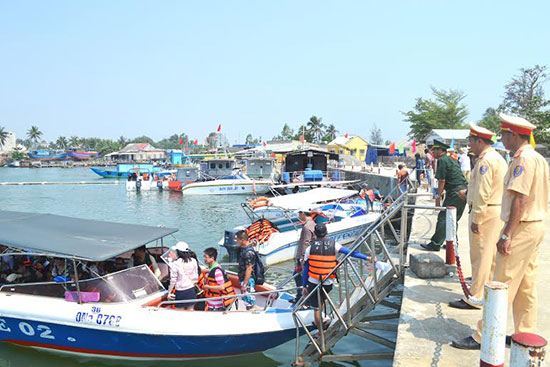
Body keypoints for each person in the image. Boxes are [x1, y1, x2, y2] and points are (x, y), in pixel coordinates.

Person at [452, 113, 549, 350]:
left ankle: (484, 334)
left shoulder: (523, 160)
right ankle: (523, 334)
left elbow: (520, 199)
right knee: (526, 284)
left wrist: (507, 233)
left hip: (522, 227)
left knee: (501, 283)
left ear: (513, 135)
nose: (502, 139)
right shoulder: (536, 158)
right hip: (534, 226)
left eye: (504, 134)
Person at [449, 124, 507, 310]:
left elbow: (483, 192)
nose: (470, 145)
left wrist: (477, 218)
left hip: (486, 211)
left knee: (480, 255)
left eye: (471, 141)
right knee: (488, 256)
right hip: (494, 209)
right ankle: (484, 290)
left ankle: (476, 295)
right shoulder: (496, 158)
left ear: (479, 141)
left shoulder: (484, 161)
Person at [301, 223, 389, 333]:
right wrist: (367, 257)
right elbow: (351, 253)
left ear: (314, 234)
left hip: (313, 282)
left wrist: (304, 286)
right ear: (326, 232)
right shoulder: (334, 245)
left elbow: (306, 268)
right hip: (327, 282)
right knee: (323, 299)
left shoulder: (309, 248)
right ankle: (322, 319)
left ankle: (320, 332)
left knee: (317, 309)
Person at [421, 139, 467, 251]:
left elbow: (441, 181)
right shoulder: (450, 159)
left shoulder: (442, 160)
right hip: (463, 190)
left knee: (443, 217)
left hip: (455, 192)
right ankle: (451, 243)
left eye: (435, 150)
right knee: (452, 218)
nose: (433, 152)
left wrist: (438, 196)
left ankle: (435, 244)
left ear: (441, 150)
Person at [201, 247, 236, 311]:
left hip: (216, 305)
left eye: (206, 257)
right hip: (211, 302)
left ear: (212, 258)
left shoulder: (217, 271)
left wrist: (208, 287)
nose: (204, 259)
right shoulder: (213, 269)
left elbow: (221, 287)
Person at [166, 241, 199, 310]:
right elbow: (196, 275)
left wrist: (169, 292)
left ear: (178, 252)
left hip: (181, 291)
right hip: (191, 290)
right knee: (191, 310)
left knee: (180, 313)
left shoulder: (176, 263)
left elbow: (173, 280)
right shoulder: (193, 261)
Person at [292, 211, 316, 303]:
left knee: (298, 277)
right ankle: (302, 298)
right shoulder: (313, 224)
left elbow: (306, 243)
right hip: (310, 256)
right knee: (302, 277)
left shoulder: (306, 227)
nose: (298, 216)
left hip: (304, 257)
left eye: (299, 213)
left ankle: (302, 299)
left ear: (303, 213)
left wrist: (302, 259)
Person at [235, 230, 257, 309]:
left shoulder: (248, 253)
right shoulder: (244, 249)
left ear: (242, 240)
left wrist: (245, 284)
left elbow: (249, 269)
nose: (236, 241)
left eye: (237, 239)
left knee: (250, 303)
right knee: (247, 302)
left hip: (247, 280)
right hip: (244, 279)